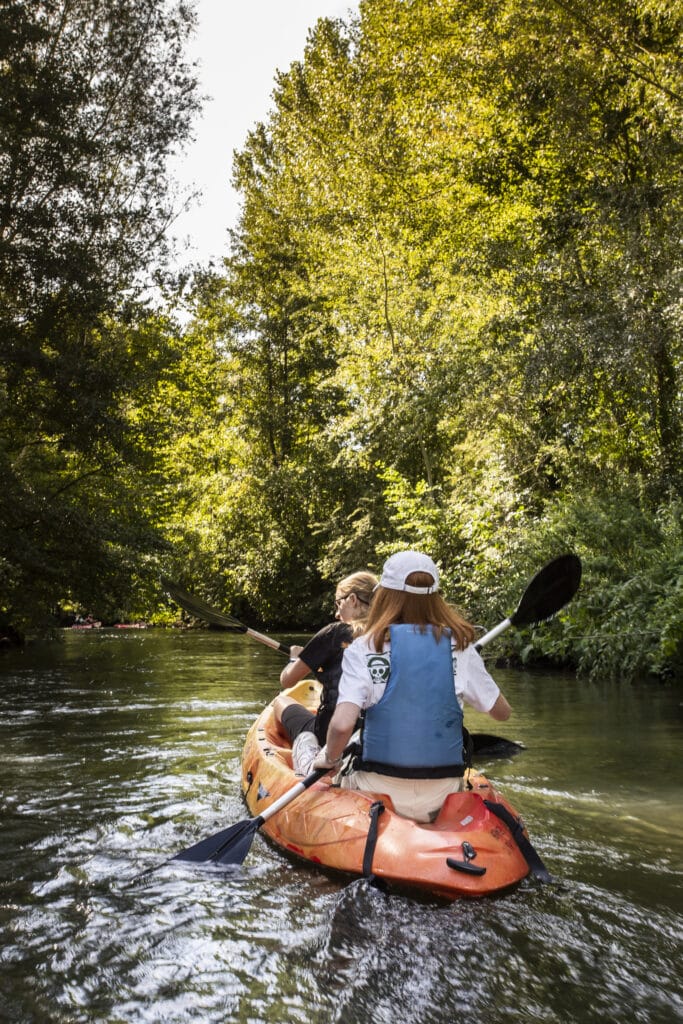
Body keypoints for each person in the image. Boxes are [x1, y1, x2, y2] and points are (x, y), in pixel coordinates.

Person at [312, 550, 511, 823]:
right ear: (436, 599)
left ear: (385, 596)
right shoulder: (461, 648)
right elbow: (501, 712)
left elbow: (342, 726)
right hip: (442, 795)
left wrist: (329, 760)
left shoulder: (365, 648)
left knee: (307, 744)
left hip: (377, 791)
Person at [273, 571, 378, 775]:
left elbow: (287, 680)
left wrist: (295, 658)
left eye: (338, 604)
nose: (337, 614)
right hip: (375, 735)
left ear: (353, 600)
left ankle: (309, 753)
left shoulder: (335, 632)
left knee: (280, 702)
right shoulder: (391, 633)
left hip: (331, 735)